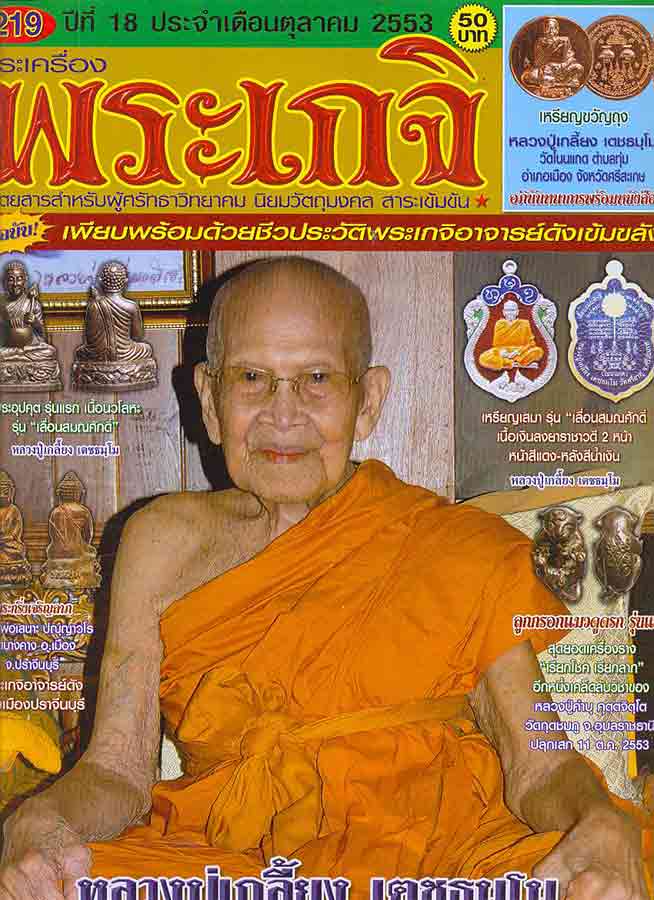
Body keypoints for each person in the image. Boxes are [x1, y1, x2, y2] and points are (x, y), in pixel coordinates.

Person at [0, 258, 651, 900]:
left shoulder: (455, 548)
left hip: (445, 857)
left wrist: (595, 817)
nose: (283, 415)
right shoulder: (161, 544)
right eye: (252, 378)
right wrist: (43, 817)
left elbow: (539, 761)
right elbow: (117, 770)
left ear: (367, 401)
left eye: (316, 379)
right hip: (234, 861)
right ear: (209, 399)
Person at [478, 298, 544, 372]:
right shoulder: (499, 323)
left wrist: (518, 352)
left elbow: (531, 343)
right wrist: (503, 353)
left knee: (538, 351)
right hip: (503, 352)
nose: (510, 312)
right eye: (507, 310)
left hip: (520, 352)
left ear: (517, 312)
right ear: (503, 312)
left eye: (512, 310)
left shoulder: (524, 323)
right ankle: (508, 363)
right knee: (483, 358)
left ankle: (514, 362)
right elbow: (496, 345)